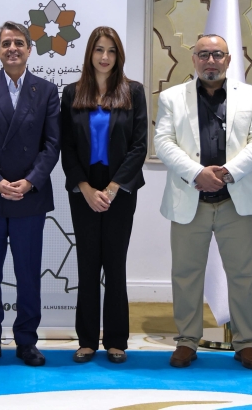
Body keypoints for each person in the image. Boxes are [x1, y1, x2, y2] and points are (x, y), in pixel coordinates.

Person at [154, 34, 252, 370]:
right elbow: (164, 142)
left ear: (228, 60)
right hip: (190, 199)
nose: (210, 60)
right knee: (186, 274)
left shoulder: (251, 96)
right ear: (194, 59)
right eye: (203, 54)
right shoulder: (172, 97)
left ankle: (245, 342)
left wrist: (229, 172)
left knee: (243, 275)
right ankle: (187, 341)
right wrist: (197, 173)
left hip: (235, 199)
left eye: (217, 54)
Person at [0, 21, 60, 367]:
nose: (12, 49)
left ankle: (27, 341)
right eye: (6, 44)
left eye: (19, 43)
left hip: (29, 196)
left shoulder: (46, 90)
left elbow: (52, 143)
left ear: (29, 49)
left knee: (28, 272)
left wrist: (30, 181)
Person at [60, 26, 147, 364]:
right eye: (99, 50)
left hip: (119, 191)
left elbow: (139, 146)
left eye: (111, 51)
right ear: (90, 54)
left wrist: (111, 189)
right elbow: (67, 147)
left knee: (115, 265)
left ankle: (115, 340)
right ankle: (86, 340)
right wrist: (84, 188)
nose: (105, 57)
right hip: (83, 190)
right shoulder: (72, 93)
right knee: (86, 264)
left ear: (118, 55)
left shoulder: (133, 91)